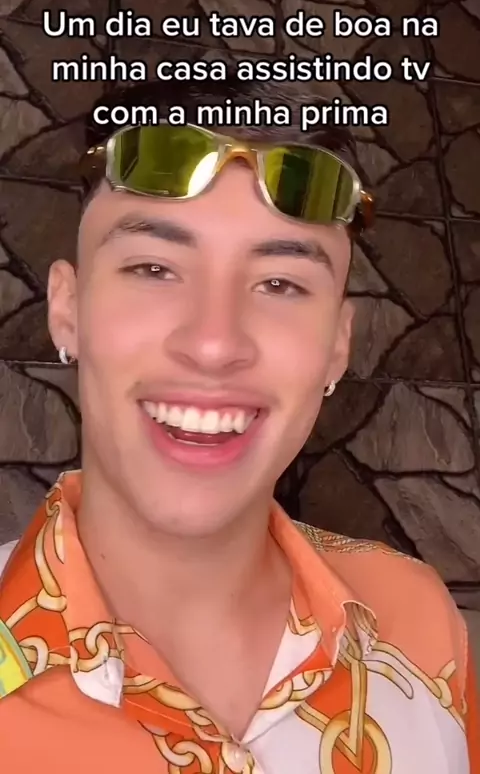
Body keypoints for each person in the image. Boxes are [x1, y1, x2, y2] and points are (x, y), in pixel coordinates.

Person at [0, 77, 477, 774]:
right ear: (67, 309)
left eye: (280, 284)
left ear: (337, 346)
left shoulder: (419, 618)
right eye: (155, 268)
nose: (214, 343)